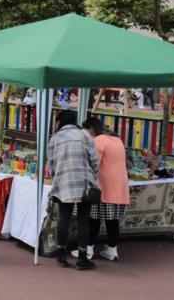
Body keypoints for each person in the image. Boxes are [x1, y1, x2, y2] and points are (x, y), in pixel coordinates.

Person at [48, 110, 99, 270]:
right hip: (85, 181)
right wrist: (91, 173)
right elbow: (95, 161)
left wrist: (58, 174)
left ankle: (61, 253)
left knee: (65, 216)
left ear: (61, 122)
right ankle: (83, 258)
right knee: (84, 219)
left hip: (64, 181)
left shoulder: (55, 139)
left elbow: (51, 165)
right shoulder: (85, 135)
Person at [78, 117, 128, 262]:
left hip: (103, 186)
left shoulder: (99, 141)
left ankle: (88, 249)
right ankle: (112, 250)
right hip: (118, 186)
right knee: (112, 220)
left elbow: (93, 164)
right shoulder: (116, 139)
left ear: (91, 129)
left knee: (93, 219)